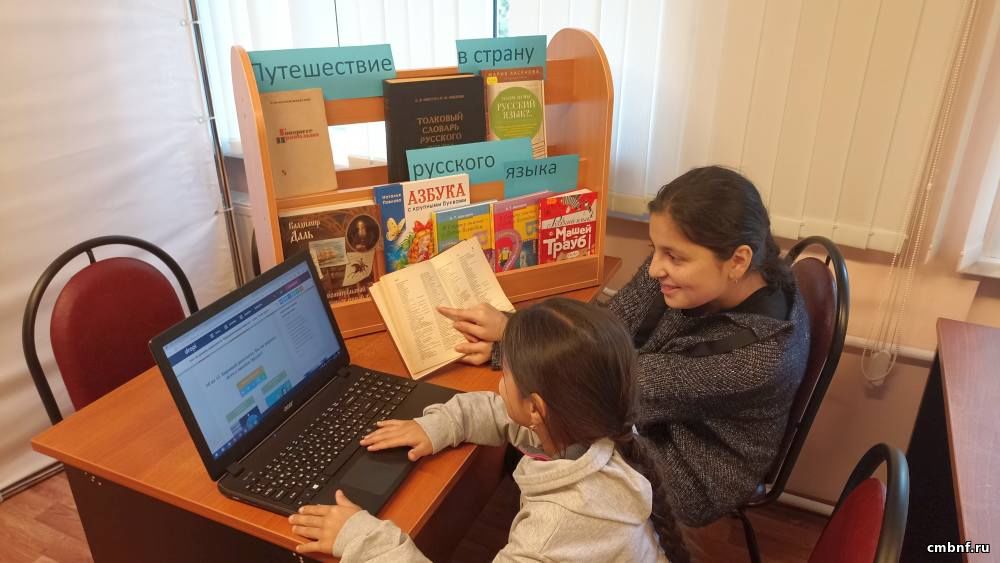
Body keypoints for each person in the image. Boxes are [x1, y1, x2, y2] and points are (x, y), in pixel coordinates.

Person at [436, 166, 810, 527]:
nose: (655, 268)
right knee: (521, 417)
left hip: (687, 471)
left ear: (738, 260)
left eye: (673, 257)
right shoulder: (698, 275)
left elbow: (611, 388)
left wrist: (512, 338)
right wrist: (517, 336)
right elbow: (610, 324)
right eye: (655, 249)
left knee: (533, 417)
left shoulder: (759, 358)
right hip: (648, 416)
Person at [288, 298, 690, 562]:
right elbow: (501, 412)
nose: (499, 380)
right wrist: (439, 425)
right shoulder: (602, 429)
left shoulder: (550, 535)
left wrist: (362, 537)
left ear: (536, 408)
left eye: (505, 372)